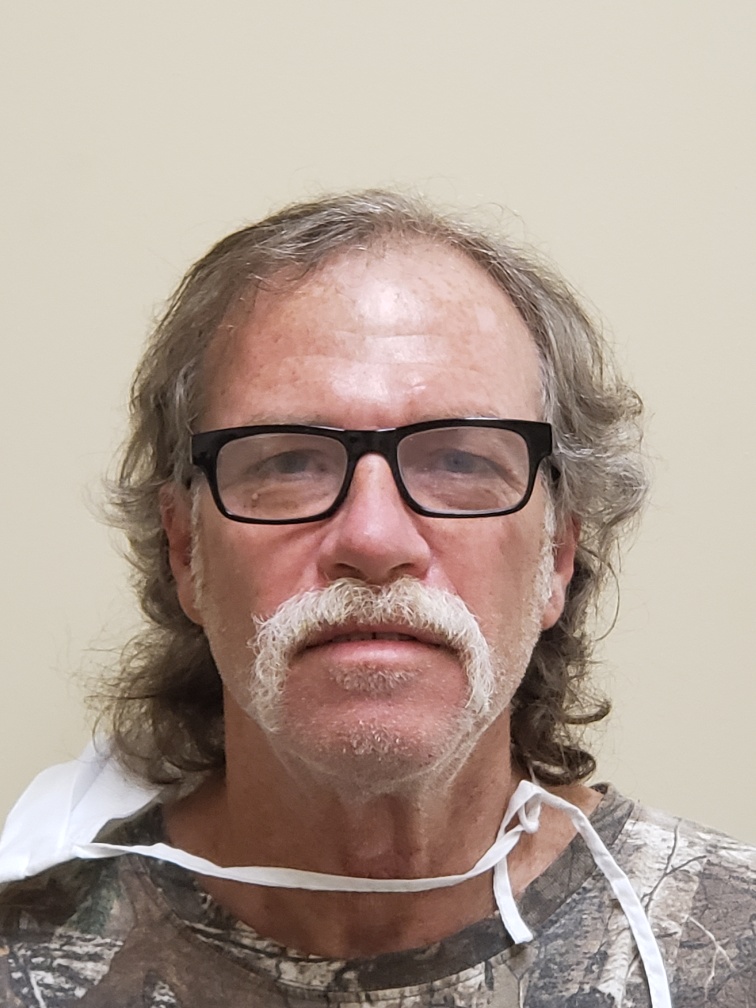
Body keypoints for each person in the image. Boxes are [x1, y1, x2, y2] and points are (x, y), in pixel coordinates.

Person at [0, 190, 753, 1007]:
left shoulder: (728, 948)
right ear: (186, 551)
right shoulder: (25, 960)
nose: (373, 537)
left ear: (557, 556)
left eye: (460, 462)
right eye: (289, 462)